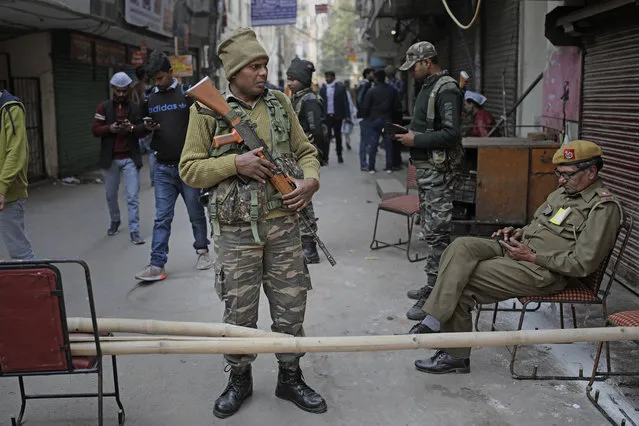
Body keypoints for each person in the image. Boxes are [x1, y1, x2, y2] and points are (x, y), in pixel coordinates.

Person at [179, 28, 326, 418]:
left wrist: (309, 181)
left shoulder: (280, 102)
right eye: (254, 67)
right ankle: (239, 378)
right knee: (239, 314)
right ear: (234, 73)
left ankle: (290, 376)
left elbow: (306, 151)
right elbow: (189, 169)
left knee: (291, 309)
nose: (263, 73)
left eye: (264, 65)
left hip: (283, 227)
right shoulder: (206, 110)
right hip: (236, 232)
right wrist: (234, 163)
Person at [407, 140, 623, 374]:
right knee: (461, 247)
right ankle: (438, 320)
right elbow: (542, 225)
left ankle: (452, 351)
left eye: (568, 175)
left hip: (542, 270)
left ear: (591, 171)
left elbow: (583, 264)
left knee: (464, 278)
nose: (560, 180)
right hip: (520, 249)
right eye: (558, 173)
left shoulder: (603, 208)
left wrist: (532, 257)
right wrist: (520, 232)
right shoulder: (564, 193)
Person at [393, 41, 464, 320]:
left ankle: (436, 298)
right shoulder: (428, 87)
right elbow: (428, 125)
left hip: (439, 173)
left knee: (438, 235)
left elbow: (451, 134)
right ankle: (432, 285)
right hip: (426, 170)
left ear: (427, 61)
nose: (412, 72)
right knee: (431, 231)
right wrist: (410, 132)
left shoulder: (446, 88)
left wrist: (416, 139)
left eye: (414, 66)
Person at [134, 51, 213, 282]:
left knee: (195, 213)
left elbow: (206, 121)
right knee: (162, 218)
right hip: (162, 168)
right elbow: (137, 126)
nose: (157, 83)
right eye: (153, 80)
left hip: (188, 166)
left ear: (171, 73)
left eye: (160, 78)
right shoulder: (149, 98)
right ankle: (157, 264)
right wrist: (146, 127)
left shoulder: (187, 94)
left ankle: (202, 252)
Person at [91, 72, 145, 244]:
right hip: (110, 159)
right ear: (113, 90)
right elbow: (95, 130)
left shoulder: (136, 108)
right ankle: (115, 220)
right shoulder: (103, 107)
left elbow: (143, 130)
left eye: (124, 91)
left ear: (128, 90)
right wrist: (110, 129)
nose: (121, 94)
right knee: (111, 195)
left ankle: (134, 230)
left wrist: (132, 128)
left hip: (130, 157)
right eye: (118, 91)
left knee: (132, 196)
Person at [286, 57, 325, 263]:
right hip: (294, 157)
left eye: (293, 79)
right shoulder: (296, 98)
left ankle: (309, 248)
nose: (289, 83)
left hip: (305, 158)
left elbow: (317, 131)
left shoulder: (309, 100)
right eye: (288, 79)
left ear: (303, 79)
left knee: (304, 200)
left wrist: (318, 156)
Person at [0, 89, 35, 259]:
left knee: (20, 253)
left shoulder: (10, 107)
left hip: (8, 194)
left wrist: (2, 186)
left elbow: (16, 151)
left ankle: (37, 285)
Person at [359, 69, 401, 173]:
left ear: (376, 78)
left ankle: (371, 167)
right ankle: (389, 167)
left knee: (373, 144)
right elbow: (397, 106)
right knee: (388, 145)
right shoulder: (391, 90)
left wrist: (366, 117)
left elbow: (365, 106)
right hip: (387, 119)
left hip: (374, 120)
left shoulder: (371, 91)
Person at [131, 65, 156, 186]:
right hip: (145, 122)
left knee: (135, 152)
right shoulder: (148, 89)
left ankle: (133, 178)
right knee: (151, 152)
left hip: (135, 122)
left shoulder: (133, 88)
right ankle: (153, 179)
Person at [319, 71, 351, 164]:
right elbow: (320, 103)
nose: (327, 79)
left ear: (333, 77)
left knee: (338, 136)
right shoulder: (323, 89)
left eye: (328, 77)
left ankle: (339, 155)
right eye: (326, 77)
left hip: (337, 116)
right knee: (326, 138)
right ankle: (326, 157)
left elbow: (345, 102)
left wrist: (347, 116)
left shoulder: (340, 88)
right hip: (326, 117)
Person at [385, 65, 405, 170]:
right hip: (396, 112)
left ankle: (395, 161)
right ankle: (395, 161)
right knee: (396, 137)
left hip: (391, 113)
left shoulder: (388, 85)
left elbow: (398, 95)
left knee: (393, 137)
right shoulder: (399, 83)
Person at [341, 80, 357, 152]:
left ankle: (347, 142)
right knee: (343, 130)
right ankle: (343, 144)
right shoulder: (341, 91)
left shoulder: (351, 91)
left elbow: (354, 100)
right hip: (343, 113)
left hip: (349, 112)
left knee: (346, 130)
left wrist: (354, 111)